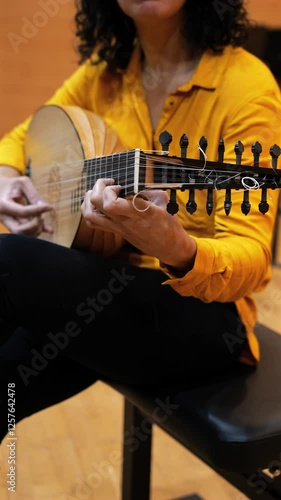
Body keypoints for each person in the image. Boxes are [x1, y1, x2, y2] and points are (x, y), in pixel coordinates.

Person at [0, 0, 281, 443]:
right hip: (108, 295)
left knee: (8, 259)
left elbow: (253, 260)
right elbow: (21, 138)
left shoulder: (245, 85)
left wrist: (176, 247)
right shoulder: (105, 72)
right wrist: (5, 180)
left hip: (208, 321)